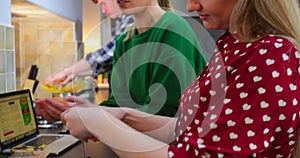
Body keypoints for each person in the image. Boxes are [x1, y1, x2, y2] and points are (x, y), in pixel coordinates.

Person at [60, 0, 300, 157]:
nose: (191, 5)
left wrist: (100, 123)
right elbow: (193, 126)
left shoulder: (270, 55)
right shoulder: (232, 45)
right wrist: (120, 115)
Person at [35, 0, 206, 121]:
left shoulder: (173, 29)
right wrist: (84, 109)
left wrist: (94, 117)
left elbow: (165, 114)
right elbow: (119, 103)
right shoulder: (124, 41)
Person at [43, 0, 133, 85]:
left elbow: (110, 52)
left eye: (103, 3)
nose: (104, 10)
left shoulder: (131, 18)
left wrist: (66, 71)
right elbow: (108, 64)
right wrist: (76, 73)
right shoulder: (122, 21)